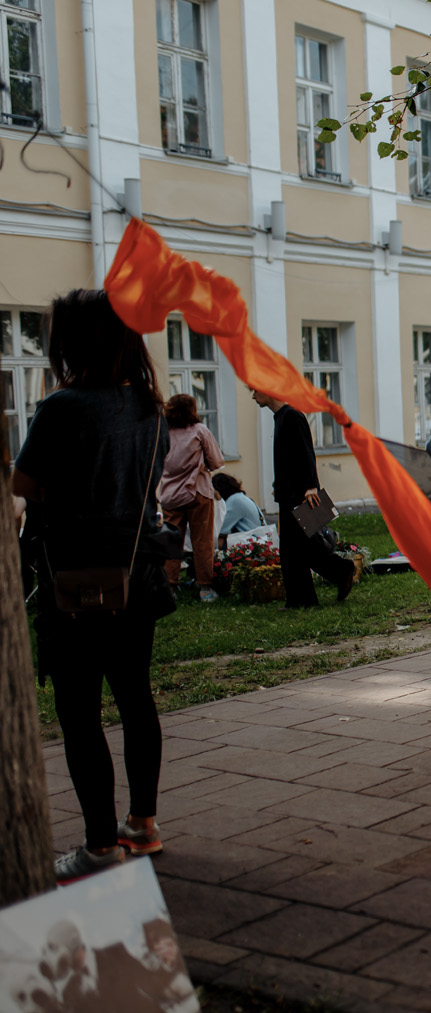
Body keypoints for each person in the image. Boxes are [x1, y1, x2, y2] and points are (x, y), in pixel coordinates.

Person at [12, 290, 175, 883]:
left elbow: (25, 485)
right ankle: (143, 825)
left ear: (72, 343)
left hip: (76, 586)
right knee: (136, 698)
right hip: (139, 578)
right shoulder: (150, 407)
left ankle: (100, 846)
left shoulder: (63, 407)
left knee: (79, 712)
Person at [249, 388, 356, 608]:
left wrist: (311, 486)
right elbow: (288, 458)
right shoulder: (281, 418)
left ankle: (337, 574)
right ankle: (303, 597)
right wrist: (277, 485)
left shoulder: (292, 416)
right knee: (292, 549)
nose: (253, 396)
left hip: (299, 494)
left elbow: (306, 452)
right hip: (289, 492)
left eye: (254, 390)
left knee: (299, 547)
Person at [157, 393, 225, 602]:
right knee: (202, 540)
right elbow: (216, 460)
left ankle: (170, 585)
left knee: (170, 541)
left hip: (170, 494)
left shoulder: (163, 433)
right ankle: (205, 588)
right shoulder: (199, 431)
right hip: (197, 493)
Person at [212, 471, 264, 546]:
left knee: (215, 540)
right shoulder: (240, 497)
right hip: (257, 538)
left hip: (253, 542)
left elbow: (221, 528)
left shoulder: (235, 501)